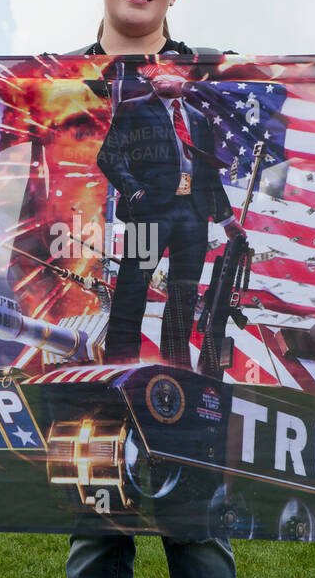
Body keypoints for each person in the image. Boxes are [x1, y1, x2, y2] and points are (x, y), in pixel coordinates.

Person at [58, 0, 237, 578]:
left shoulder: (209, 75)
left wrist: (223, 208)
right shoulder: (64, 77)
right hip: (135, 221)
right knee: (98, 521)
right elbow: (98, 153)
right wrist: (130, 192)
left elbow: (218, 149)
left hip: (194, 215)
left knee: (198, 524)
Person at [97, 61, 243, 365]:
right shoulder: (132, 108)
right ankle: (119, 362)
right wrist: (135, 193)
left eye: (170, 72)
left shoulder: (199, 120)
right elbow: (108, 157)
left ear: (183, 81)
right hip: (148, 212)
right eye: (156, 72)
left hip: (191, 214)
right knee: (133, 286)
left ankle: (176, 366)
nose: (162, 76)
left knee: (184, 293)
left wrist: (227, 220)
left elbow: (207, 175)